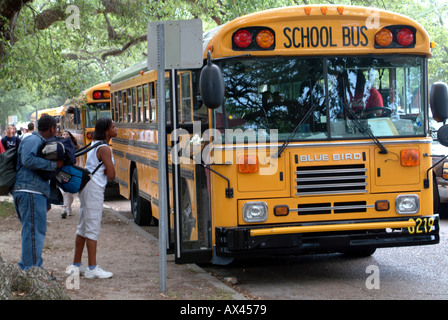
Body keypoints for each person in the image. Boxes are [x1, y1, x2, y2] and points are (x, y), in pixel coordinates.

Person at [67, 118, 117, 279]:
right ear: (107, 130)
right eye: (113, 127)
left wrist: (106, 168)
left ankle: (76, 265)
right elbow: (111, 175)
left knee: (83, 226)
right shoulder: (105, 149)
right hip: (94, 189)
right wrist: (109, 169)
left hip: (86, 186)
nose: (116, 129)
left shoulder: (94, 144)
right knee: (92, 227)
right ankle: (92, 268)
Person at [12, 115, 64, 271]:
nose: (56, 132)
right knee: (34, 232)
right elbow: (27, 160)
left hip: (33, 191)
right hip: (30, 191)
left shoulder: (38, 141)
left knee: (32, 231)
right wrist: (53, 164)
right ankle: (32, 270)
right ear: (51, 128)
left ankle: (27, 267)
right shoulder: (33, 140)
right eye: (56, 128)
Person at [60, 130, 80, 219]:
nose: (65, 136)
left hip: (71, 170)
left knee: (70, 192)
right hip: (62, 171)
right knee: (64, 191)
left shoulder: (75, 147)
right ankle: (64, 209)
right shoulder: (59, 146)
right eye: (63, 134)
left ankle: (68, 206)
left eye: (67, 134)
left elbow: (77, 161)